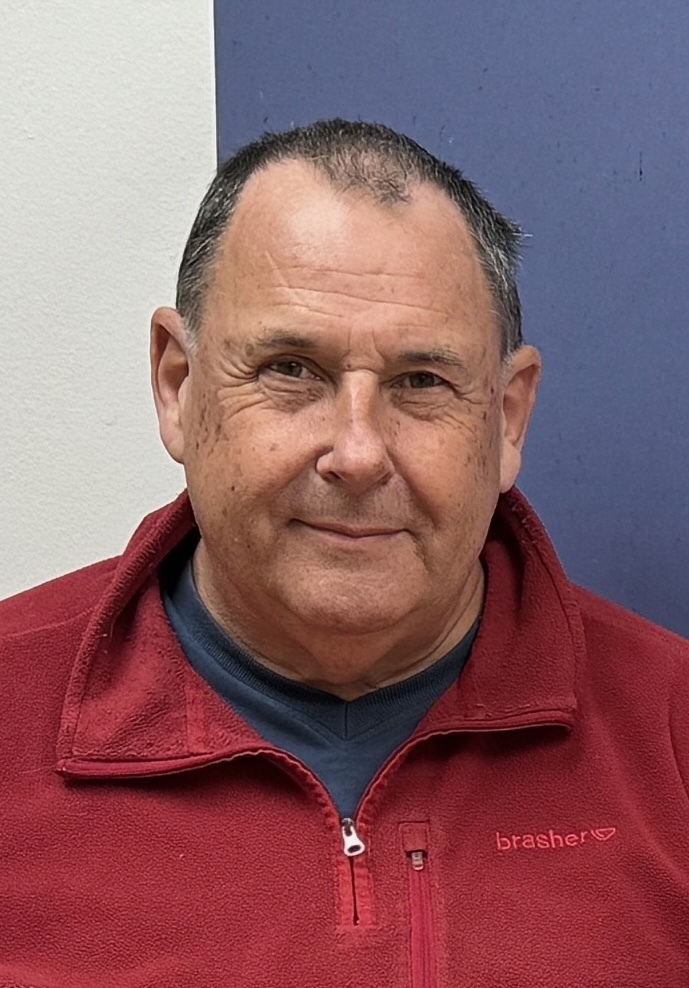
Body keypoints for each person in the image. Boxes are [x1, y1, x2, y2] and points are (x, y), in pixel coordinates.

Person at [1, 119, 688, 988]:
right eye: (291, 369)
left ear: (507, 417)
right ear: (177, 385)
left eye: (420, 382)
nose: (357, 454)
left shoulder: (672, 733)